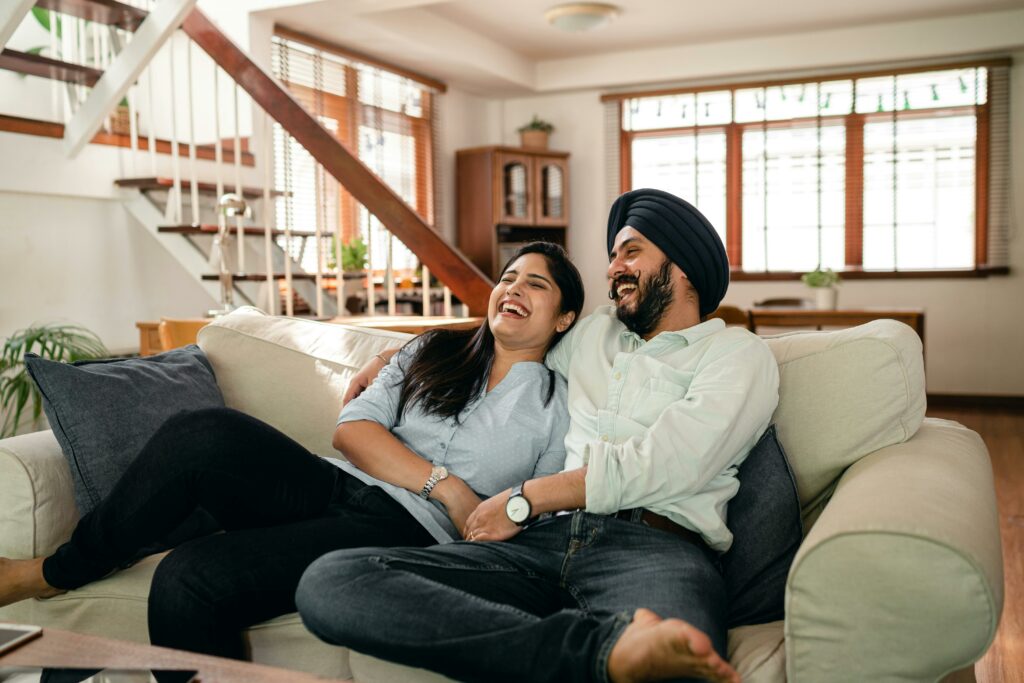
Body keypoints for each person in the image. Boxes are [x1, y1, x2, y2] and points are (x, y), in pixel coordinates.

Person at [0, 241, 584, 662]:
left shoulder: (560, 408)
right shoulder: (431, 350)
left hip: (403, 532)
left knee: (187, 581)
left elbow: (541, 514)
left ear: (564, 318)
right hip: (336, 483)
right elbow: (352, 431)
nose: (513, 289)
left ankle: (138, 547)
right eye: (508, 277)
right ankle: (57, 572)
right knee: (203, 431)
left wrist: (484, 514)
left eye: (536, 284)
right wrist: (448, 486)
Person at [295, 188, 780, 683]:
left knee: (680, 667)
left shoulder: (736, 355)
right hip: (538, 544)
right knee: (333, 580)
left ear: (684, 268)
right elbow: (510, 325)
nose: (613, 269)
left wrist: (526, 498)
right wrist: (397, 352)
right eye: (612, 257)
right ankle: (595, 653)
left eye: (630, 252)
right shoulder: (595, 334)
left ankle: (602, 652)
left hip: (653, 550)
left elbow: (671, 461)